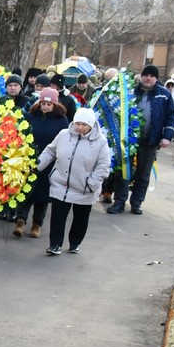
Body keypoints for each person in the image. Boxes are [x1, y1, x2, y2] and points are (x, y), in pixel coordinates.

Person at [36, 108, 112, 255]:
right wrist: (38, 166)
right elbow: (50, 151)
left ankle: (74, 242)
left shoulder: (100, 142)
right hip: (61, 184)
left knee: (80, 219)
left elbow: (103, 165)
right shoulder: (64, 135)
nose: (80, 127)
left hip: (85, 188)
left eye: (84, 125)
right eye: (77, 123)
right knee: (57, 217)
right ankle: (55, 244)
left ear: (91, 125)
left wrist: (92, 183)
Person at [107, 65, 174, 215]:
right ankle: (119, 201)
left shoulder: (164, 95)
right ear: (141, 76)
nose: (148, 78)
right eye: (145, 75)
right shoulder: (129, 92)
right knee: (124, 172)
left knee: (143, 174)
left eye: (152, 76)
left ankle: (136, 202)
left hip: (150, 140)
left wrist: (167, 137)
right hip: (128, 141)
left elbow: (171, 116)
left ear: (156, 79)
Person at [14, 88, 69, 239]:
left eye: (48, 104)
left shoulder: (61, 120)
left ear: (55, 105)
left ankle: (37, 223)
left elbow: (65, 140)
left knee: (43, 195)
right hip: (29, 158)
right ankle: (20, 220)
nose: (45, 107)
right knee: (26, 191)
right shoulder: (30, 116)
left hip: (50, 162)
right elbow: (21, 134)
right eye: (43, 103)